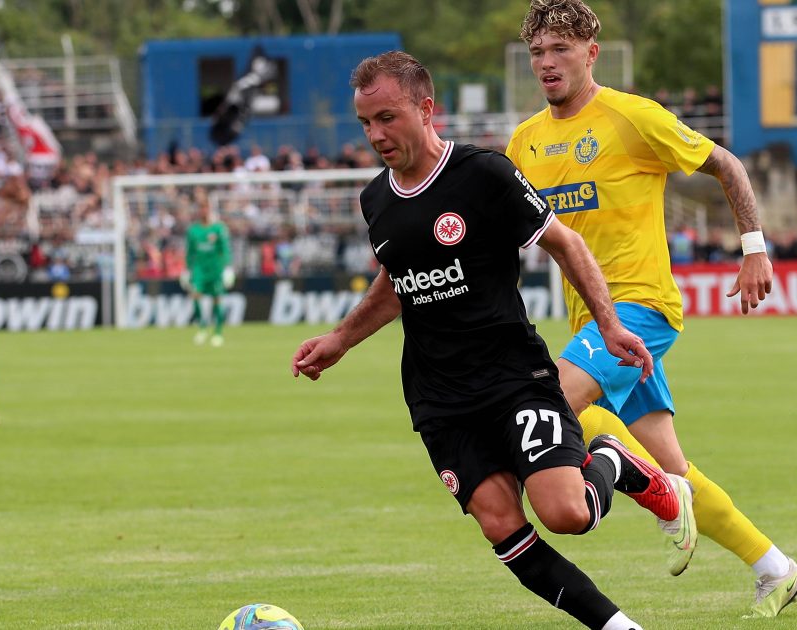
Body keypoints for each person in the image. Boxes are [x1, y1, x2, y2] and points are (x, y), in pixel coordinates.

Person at [291, 51, 695, 630]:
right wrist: (340, 340)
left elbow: (568, 244)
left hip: (512, 377)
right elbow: (394, 284)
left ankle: (612, 459)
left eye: (386, 118)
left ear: (425, 108)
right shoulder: (375, 200)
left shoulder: (484, 174)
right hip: (439, 397)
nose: (375, 135)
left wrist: (608, 323)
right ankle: (617, 627)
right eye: (365, 124)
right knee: (499, 522)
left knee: (565, 514)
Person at [507, 0, 797, 619]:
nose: (547, 63)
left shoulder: (632, 118)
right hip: (593, 324)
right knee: (674, 464)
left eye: (560, 49)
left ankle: (638, 483)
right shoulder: (525, 142)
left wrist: (754, 248)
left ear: (591, 54)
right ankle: (775, 568)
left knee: (551, 409)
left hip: (641, 309)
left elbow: (726, 164)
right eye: (538, 52)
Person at [183, 197, 233, 347]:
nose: (204, 211)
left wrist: (228, 267)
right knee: (195, 295)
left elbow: (224, 249)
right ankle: (203, 327)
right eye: (201, 208)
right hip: (199, 269)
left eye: (206, 208)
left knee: (217, 299)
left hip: (215, 269)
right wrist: (186, 269)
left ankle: (218, 333)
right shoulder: (193, 230)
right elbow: (189, 251)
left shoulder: (218, 228)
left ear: (210, 210)